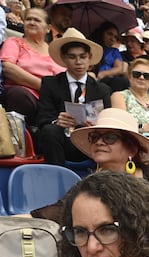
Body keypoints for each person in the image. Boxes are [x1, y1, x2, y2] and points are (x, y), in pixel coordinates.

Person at [36, 27, 112, 166]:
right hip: (61, 139)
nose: (78, 62)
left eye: (82, 57)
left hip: (90, 141)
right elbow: (42, 118)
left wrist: (96, 126)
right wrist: (57, 122)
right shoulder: (50, 84)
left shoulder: (102, 89)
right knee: (50, 131)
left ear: (89, 58)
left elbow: (109, 124)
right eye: (72, 57)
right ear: (64, 58)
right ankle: (56, 177)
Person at [0, 7, 65, 124]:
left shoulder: (55, 52)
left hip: (51, 100)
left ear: (48, 28)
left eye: (37, 20)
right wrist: (44, 86)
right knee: (19, 95)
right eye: (28, 19)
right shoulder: (14, 42)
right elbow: (8, 68)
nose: (32, 22)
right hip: (24, 95)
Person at [90, 21, 127, 92]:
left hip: (107, 79)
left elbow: (119, 68)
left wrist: (102, 74)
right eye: (109, 34)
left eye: (115, 37)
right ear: (102, 33)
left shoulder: (114, 51)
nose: (112, 38)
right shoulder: (92, 47)